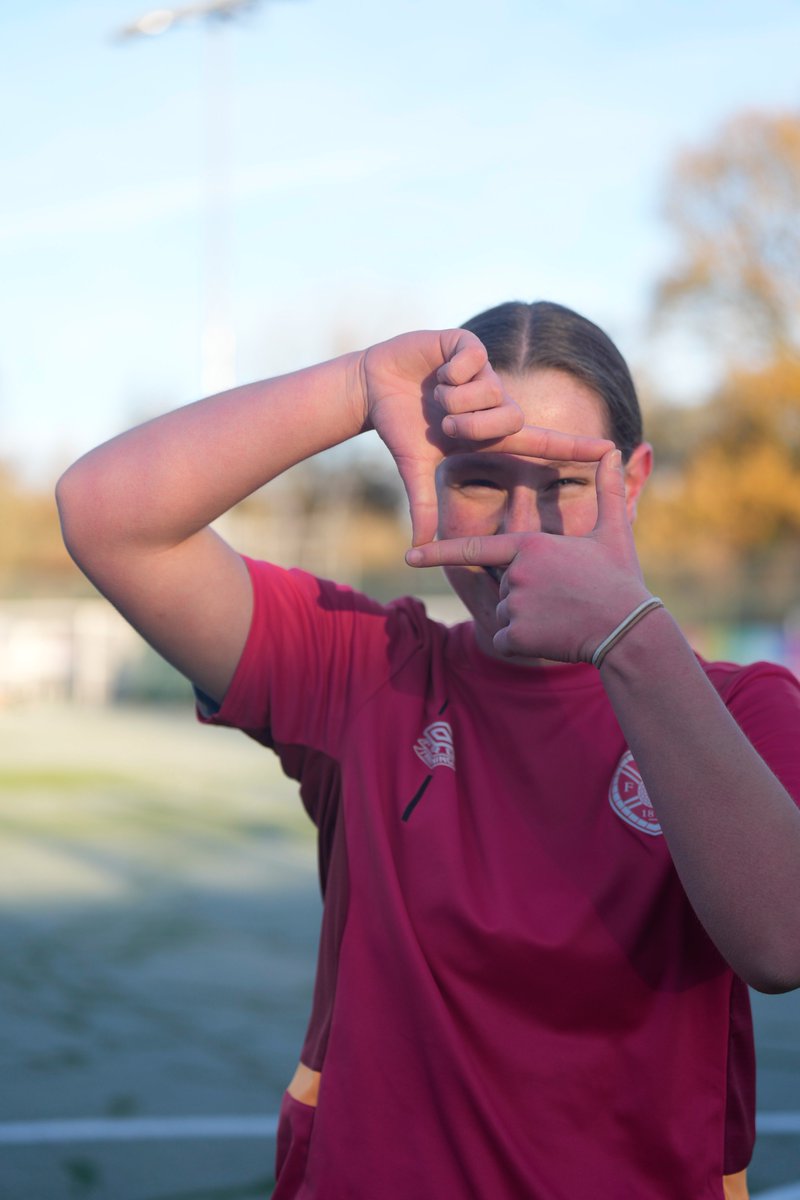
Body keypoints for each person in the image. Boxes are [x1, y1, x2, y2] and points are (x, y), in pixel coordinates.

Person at [56, 300, 800, 1200]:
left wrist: (633, 639)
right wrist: (355, 385)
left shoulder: (744, 709)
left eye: (565, 483)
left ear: (631, 483)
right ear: (430, 477)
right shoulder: (366, 669)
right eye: (481, 478)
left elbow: (783, 942)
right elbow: (104, 516)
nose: (524, 529)